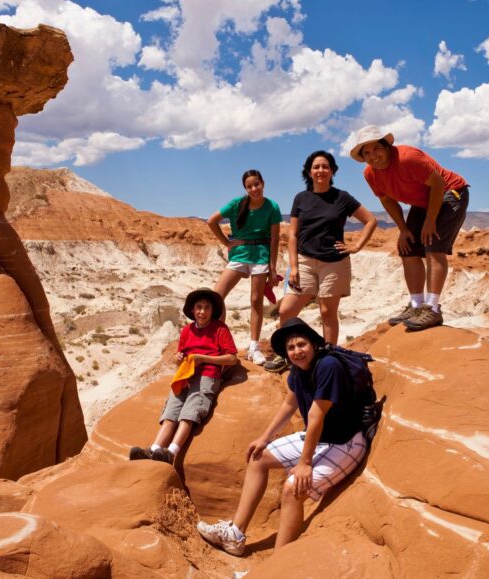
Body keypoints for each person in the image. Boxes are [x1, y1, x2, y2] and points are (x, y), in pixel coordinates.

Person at [197, 318, 368, 556]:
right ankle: (235, 534)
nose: (297, 351)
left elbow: (317, 416)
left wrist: (305, 463)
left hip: (345, 443)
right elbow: (291, 402)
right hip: (319, 439)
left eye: (301, 344)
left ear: (313, 344)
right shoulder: (298, 370)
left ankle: (278, 565)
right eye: (291, 348)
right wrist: (265, 438)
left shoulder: (328, 366)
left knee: (293, 487)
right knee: (259, 457)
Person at [265, 151, 376, 373]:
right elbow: (294, 234)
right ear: (309, 171)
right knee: (287, 311)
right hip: (305, 261)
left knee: (327, 312)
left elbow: (370, 220)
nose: (321, 171)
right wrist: (294, 267)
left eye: (326, 166)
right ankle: (286, 354)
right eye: (316, 167)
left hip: (334, 263)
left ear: (332, 171)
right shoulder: (301, 198)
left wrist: (356, 246)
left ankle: (329, 357)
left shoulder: (341, 197)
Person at [349, 125, 469, 331]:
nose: (372, 156)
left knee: (433, 247)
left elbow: (438, 184)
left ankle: (432, 309)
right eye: (366, 153)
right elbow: (386, 200)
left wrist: (430, 221)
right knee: (408, 248)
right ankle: (415, 305)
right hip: (423, 201)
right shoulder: (370, 174)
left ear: (387, 146)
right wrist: (403, 229)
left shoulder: (407, 158)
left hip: (450, 193)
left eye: (376, 149)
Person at [129, 288, 238, 464]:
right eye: (199, 307)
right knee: (171, 412)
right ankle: (155, 449)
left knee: (190, 411)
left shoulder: (220, 329)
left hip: (207, 376)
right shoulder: (187, 331)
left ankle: (171, 452)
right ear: (193, 310)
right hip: (185, 375)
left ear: (212, 311)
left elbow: (232, 358)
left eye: (207, 308)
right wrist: (179, 358)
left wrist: (203, 358)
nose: (202, 312)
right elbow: (182, 356)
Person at [207, 170, 282, 365]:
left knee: (256, 300)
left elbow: (274, 239)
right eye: (249, 186)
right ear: (245, 188)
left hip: (261, 256)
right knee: (217, 297)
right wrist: (226, 242)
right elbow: (211, 221)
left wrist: (272, 267)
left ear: (263, 183)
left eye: (256, 184)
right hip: (239, 255)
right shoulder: (236, 204)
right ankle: (218, 343)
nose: (254, 189)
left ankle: (254, 347)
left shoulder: (272, 207)